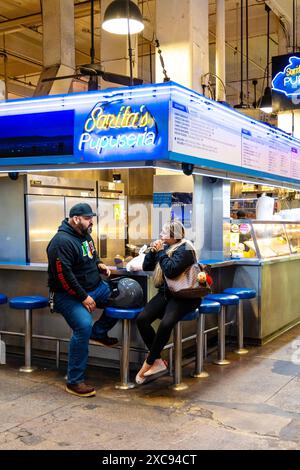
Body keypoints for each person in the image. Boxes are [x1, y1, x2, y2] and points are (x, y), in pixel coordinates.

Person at [47, 203, 118, 398]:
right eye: (88, 218)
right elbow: (64, 276)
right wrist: (83, 297)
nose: (91, 222)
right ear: (76, 218)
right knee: (83, 325)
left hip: (95, 288)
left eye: (91, 218)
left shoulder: (85, 234)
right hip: (67, 295)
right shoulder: (61, 242)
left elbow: (92, 255)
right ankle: (74, 381)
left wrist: (99, 264)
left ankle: (100, 332)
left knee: (123, 299)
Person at [135, 220, 201, 384]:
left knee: (165, 324)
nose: (161, 236)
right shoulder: (165, 248)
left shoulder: (186, 249)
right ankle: (157, 360)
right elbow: (147, 266)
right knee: (142, 319)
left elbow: (171, 271)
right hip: (166, 293)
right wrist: (152, 251)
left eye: (164, 233)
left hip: (185, 295)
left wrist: (160, 253)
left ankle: (148, 363)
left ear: (174, 237)